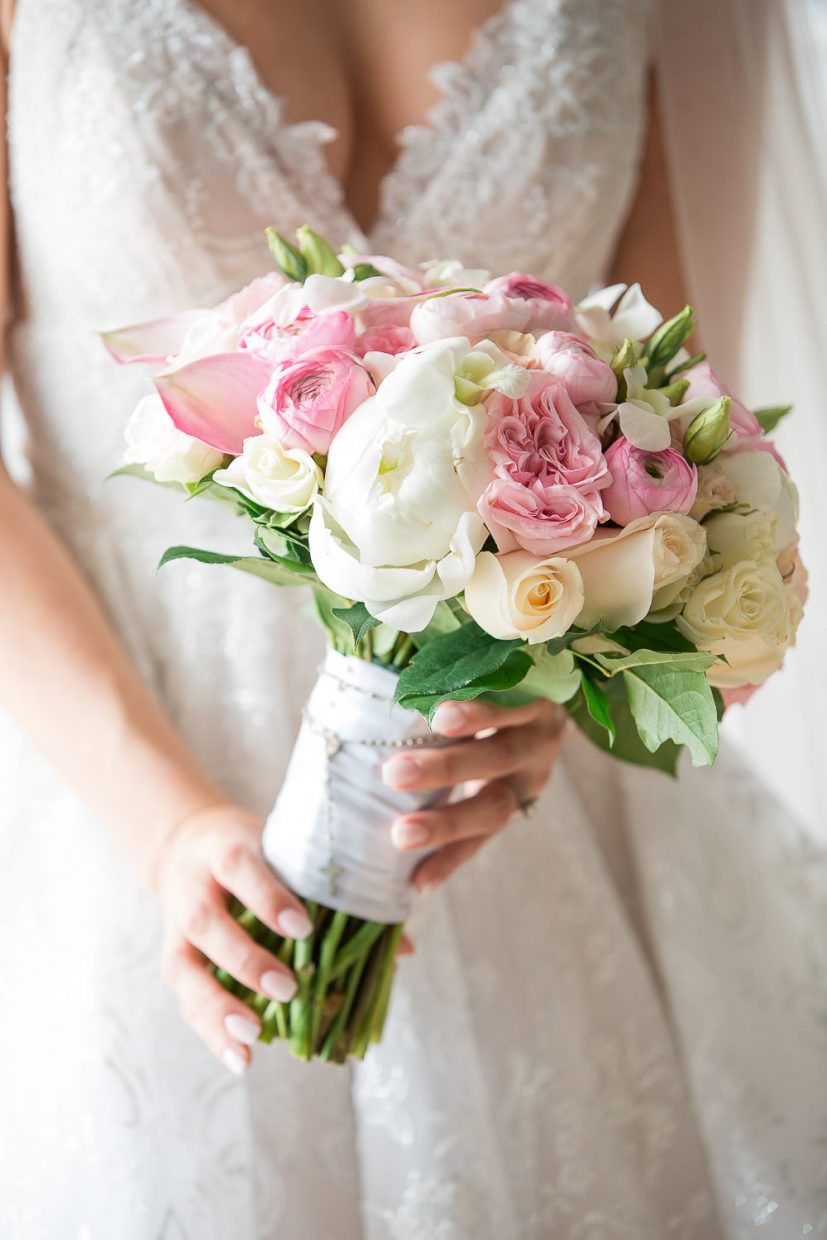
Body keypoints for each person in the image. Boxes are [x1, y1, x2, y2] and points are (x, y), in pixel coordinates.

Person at [0, 1, 824, 1236]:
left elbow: (657, 419)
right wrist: (166, 826)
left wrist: (556, 690)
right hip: (114, 752)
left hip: (511, 777)